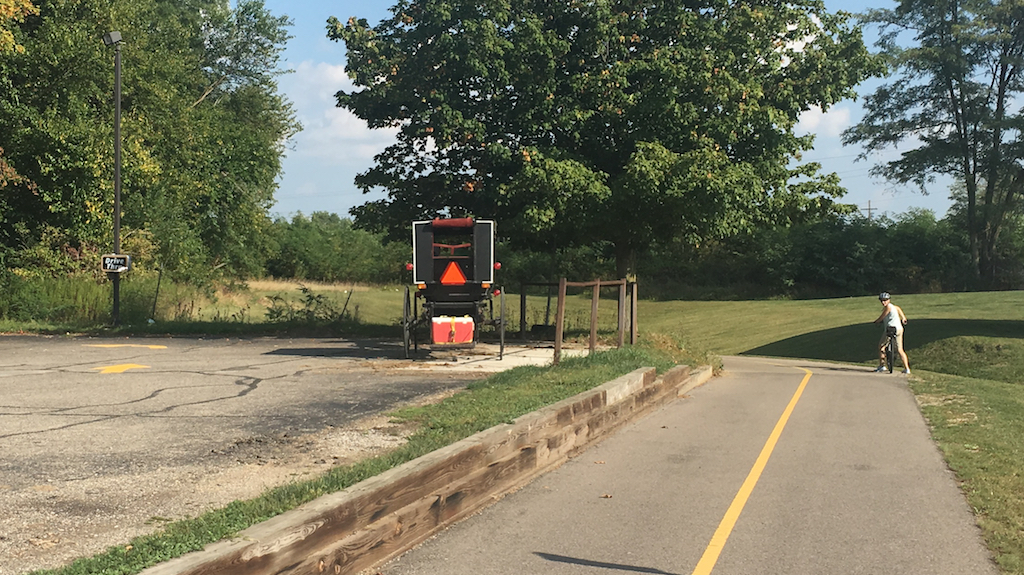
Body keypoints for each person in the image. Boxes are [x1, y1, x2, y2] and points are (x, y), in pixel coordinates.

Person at [873, 292, 910, 374]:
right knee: (900, 349)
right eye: (882, 301)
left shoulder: (888, 307)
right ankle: (907, 369)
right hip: (899, 329)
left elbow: (882, 317)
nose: (883, 302)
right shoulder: (894, 307)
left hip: (890, 329)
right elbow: (899, 309)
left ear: (889, 300)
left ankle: (882, 366)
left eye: (885, 300)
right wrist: (903, 318)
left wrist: (876, 321)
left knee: (881, 346)